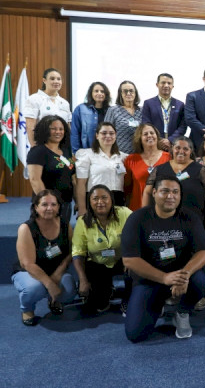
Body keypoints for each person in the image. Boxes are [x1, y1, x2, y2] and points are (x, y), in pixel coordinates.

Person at [122, 175, 205, 342]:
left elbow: (204, 252)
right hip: (150, 279)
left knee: (199, 280)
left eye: (175, 192)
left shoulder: (190, 218)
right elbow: (130, 260)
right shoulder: (137, 218)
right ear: (154, 193)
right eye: (165, 191)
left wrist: (184, 275)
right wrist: (164, 278)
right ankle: (159, 303)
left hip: (180, 277)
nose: (171, 196)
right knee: (135, 335)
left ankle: (182, 311)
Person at [12, 190, 76, 326]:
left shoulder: (65, 225)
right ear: (36, 207)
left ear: (59, 207)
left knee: (69, 290)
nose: (49, 208)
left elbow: (72, 252)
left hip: (55, 269)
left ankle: (52, 299)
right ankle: (27, 309)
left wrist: (58, 275)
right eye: (44, 204)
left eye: (54, 204)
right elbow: (27, 264)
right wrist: (50, 284)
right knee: (34, 289)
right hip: (28, 272)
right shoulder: (26, 228)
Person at [72, 185, 133, 315]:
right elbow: (78, 252)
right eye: (95, 198)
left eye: (104, 197)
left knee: (136, 268)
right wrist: (82, 280)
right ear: (90, 201)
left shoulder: (124, 213)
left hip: (124, 260)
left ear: (111, 199)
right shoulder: (83, 221)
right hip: (98, 263)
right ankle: (107, 290)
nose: (100, 202)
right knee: (97, 306)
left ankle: (129, 299)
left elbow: (138, 236)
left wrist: (131, 258)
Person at [144, 137, 205, 231]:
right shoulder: (159, 169)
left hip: (193, 222)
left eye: (185, 149)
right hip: (164, 222)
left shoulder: (201, 170)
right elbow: (147, 192)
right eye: (178, 148)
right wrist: (145, 215)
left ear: (191, 151)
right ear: (172, 149)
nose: (181, 151)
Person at [26, 115, 76, 222]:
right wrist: (48, 204)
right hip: (47, 207)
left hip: (66, 203)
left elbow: (72, 177)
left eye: (61, 129)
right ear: (44, 130)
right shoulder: (38, 151)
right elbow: (35, 180)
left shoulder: (66, 150)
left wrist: (78, 202)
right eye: (53, 129)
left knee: (62, 235)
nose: (58, 132)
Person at [75, 122, 128, 217]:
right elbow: (81, 184)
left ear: (115, 136)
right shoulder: (87, 154)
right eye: (104, 133)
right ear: (97, 136)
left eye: (111, 133)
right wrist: (82, 208)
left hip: (118, 201)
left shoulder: (123, 157)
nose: (108, 136)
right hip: (96, 200)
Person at [123, 124, 169, 211]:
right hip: (137, 209)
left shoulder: (169, 158)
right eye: (145, 134)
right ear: (139, 138)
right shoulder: (130, 160)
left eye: (152, 133)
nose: (149, 136)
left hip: (163, 209)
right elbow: (127, 189)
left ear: (157, 136)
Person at [23, 68, 72, 146]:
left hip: (62, 146)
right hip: (42, 145)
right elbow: (30, 127)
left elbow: (68, 128)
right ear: (44, 80)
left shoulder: (65, 103)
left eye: (58, 79)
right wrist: (34, 147)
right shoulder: (34, 99)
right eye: (52, 79)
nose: (56, 81)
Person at [141, 73, 186, 151]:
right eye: (163, 82)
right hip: (154, 145)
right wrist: (159, 141)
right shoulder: (148, 103)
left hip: (174, 146)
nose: (166, 85)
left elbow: (183, 126)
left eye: (169, 83)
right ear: (157, 84)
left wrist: (170, 140)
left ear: (172, 86)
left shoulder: (180, 104)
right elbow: (146, 124)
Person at [71, 82, 111, 152]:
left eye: (102, 91)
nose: (99, 93)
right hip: (86, 151)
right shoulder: (80, 109)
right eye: (96, 91)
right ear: (91, 93)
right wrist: (75, 151)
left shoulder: (111, 111)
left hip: (106, 151)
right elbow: (75, 132)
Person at [105, 80, 142, 154]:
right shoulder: (113, 110)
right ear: (120, 94)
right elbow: (106, 133)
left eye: (131, 91)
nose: (128, 93)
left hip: (140, 155)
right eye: (125, 91)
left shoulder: (142, 110)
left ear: (135, 93)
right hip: (119, 155)